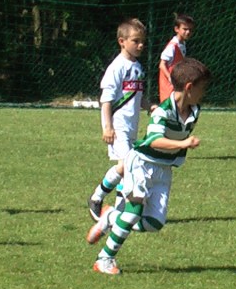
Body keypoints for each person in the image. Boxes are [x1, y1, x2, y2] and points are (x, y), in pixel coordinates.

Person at [86, 57, 212, 275]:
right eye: (202, 88)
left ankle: (110, 217)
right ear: (189, 87)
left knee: (155, 223)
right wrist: (183, 144)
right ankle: (104, 259)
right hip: (141, 164)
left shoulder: (194, 110)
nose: (204, 93)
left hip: (164, 169)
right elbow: (154, 141)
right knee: (133, 213)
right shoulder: (162, 111)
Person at [87, 18, 148, 221]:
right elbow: (106, 100)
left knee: (127, 168)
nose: (140, 45)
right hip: (118, 126)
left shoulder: (138, 68)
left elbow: (137, 96)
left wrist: (150, 106)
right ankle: (98, 199)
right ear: (122, 41)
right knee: (126, 166)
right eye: (136, 41)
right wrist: (107, 127)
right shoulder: (117, 67)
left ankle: (117, 209)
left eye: (142, 41)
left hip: (132, 127)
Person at [158, 14, 195, 103]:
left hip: (177, 83)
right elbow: (162, 65)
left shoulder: (182, 44)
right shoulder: (172, 46)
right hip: (169, 86)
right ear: (176, 29)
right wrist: (170, 78)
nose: (188, 32)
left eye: (190, 30)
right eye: (185, 29)